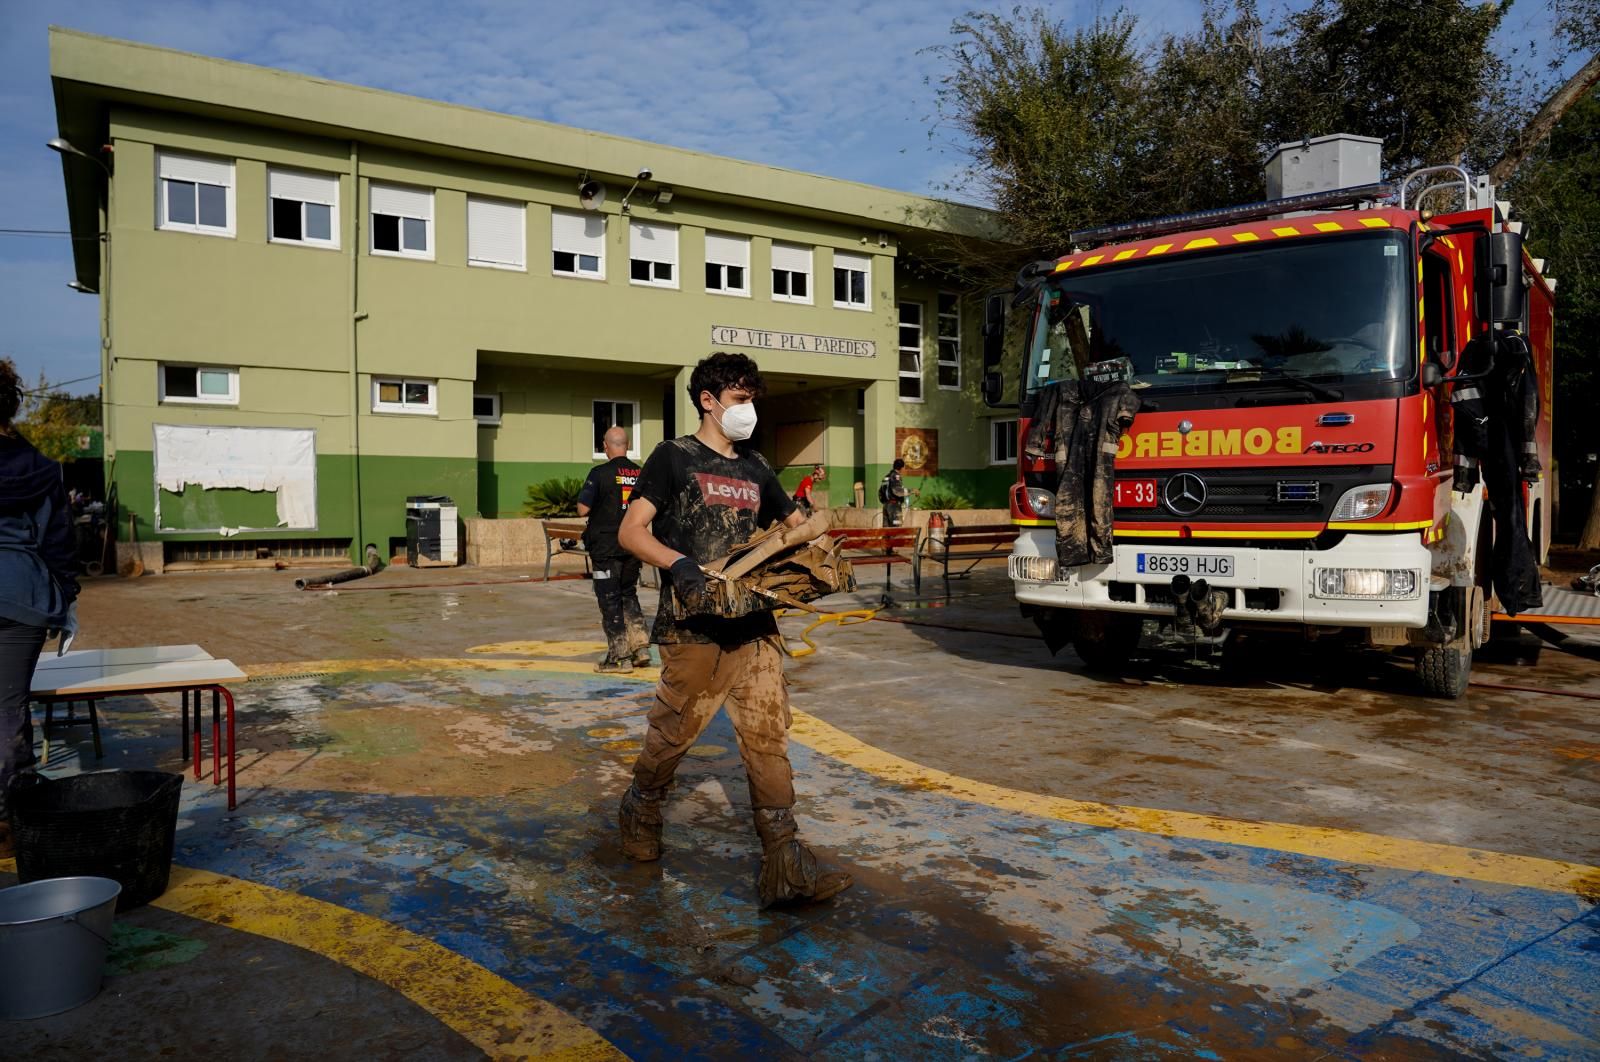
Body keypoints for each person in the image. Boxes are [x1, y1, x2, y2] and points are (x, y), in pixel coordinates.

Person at [615, 352, 852, 908]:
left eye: (752, 400)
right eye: (741, 399)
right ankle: (640, 808)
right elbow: (631, 530)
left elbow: (794, 531)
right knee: (673, 735)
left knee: (769, 742)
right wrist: (679, 564)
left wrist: (815, 541)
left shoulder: (756, 468)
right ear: (709, 400)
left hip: (754, 625)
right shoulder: (674, 458)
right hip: (694, 627)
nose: (748, 410)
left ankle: (787, 866)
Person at [0, 359, 80, 857]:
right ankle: (11, 823)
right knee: (7, 709)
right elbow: (58, 543)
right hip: (23, 596)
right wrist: (63, 596)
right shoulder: (40, 468)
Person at [576, 426, 648, 673]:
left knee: (609, 600)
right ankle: (641, 648)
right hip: (633, 546)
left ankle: (619, 658)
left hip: (606, 548)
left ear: (606, 446)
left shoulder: (599, 473)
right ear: (626, 445)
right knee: (628, 593)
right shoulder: (640, 474)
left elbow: (583, 509)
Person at [878, 458, 918, 527]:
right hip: (894, 507)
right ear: (901, 468)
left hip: (886, 506)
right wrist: (912, 491)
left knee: (886, 531)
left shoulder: (886, 477)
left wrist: (886, 503)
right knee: (897, 529)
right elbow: (897, 491)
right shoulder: (896, 476)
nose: (904, 469)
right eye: (904, 467)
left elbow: (880, 492)